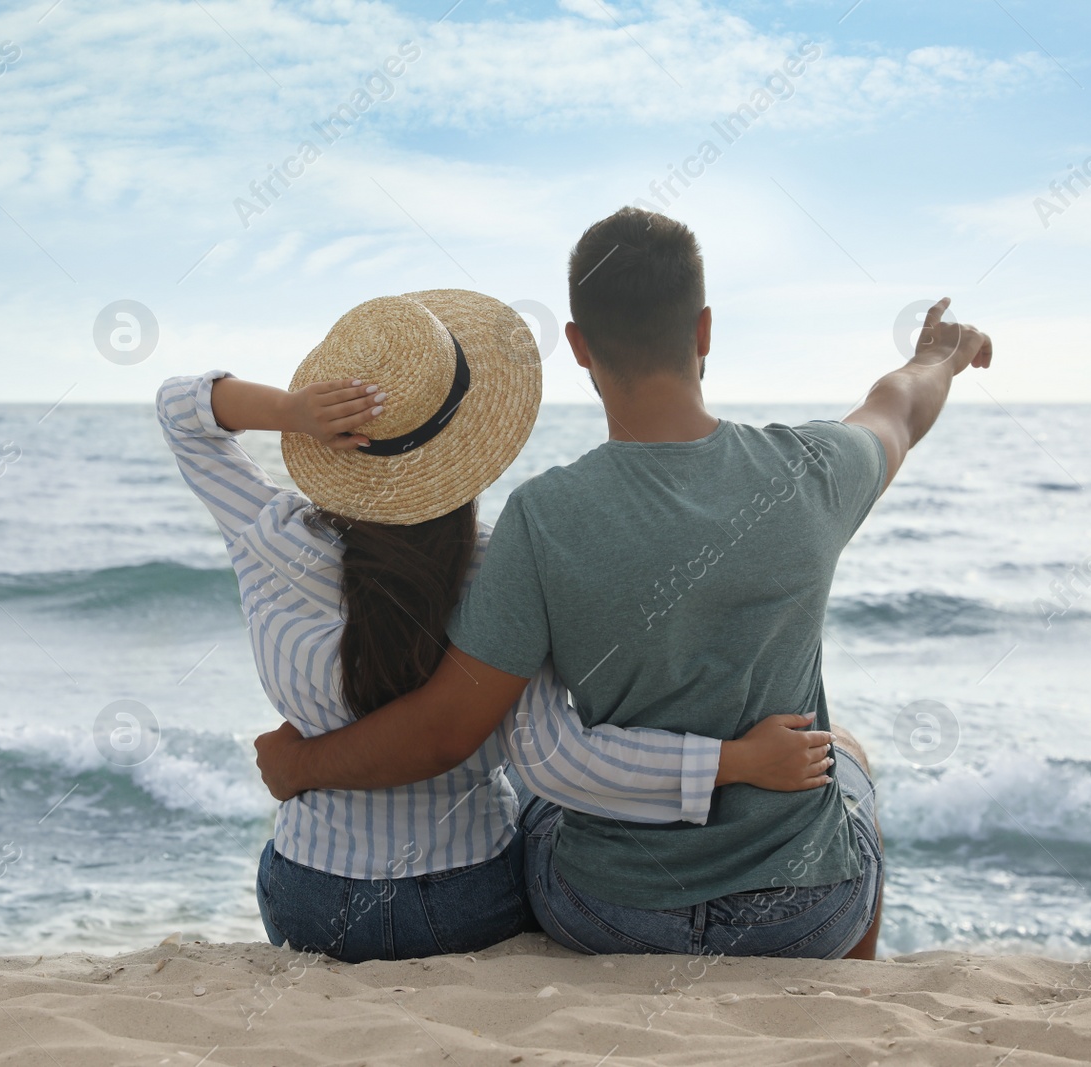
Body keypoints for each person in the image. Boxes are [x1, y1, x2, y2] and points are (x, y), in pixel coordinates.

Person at [253, 209, 993, 961]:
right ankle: (846, 983)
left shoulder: (542, 517)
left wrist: (302, 765)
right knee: (849, 759)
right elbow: (899, 407)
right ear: (703, 330)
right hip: (797, 914)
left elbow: (449, 728)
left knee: (538, 795)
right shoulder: (813, 471)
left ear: (578, 346)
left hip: (607, 911)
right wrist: (940, 354)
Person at [158, 289, 831, 963]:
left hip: (309, 899)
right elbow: (553, 755)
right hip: (464, 901)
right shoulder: (501, 567)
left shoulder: (267, 534)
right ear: (469, 442)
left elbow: (180, 408)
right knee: (546, 804)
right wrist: (734, 761)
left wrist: (290, 412)